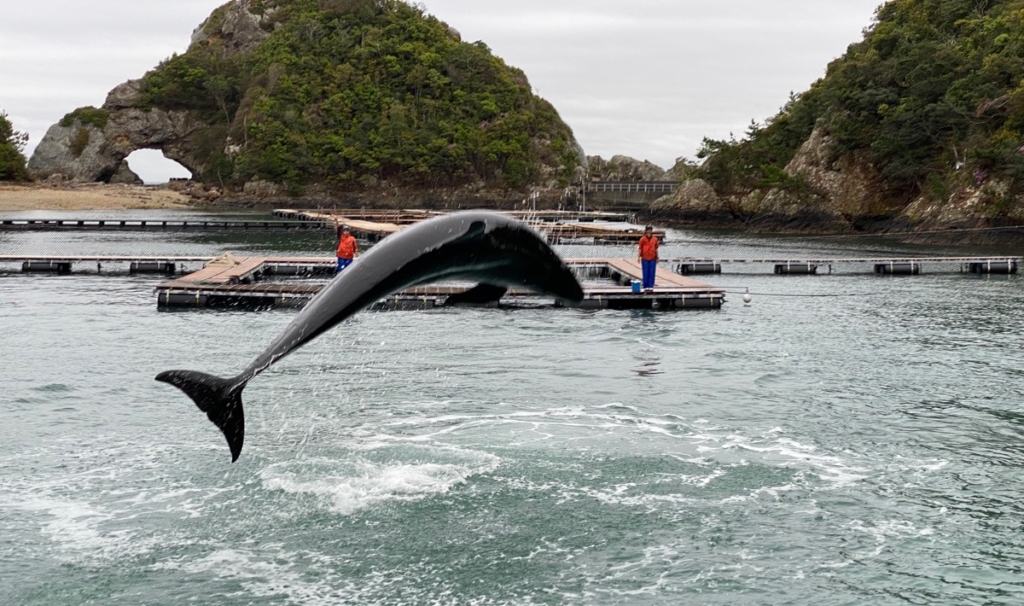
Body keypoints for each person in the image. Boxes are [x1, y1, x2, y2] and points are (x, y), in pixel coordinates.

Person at [638, 225, 659, 292]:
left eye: (650, 229)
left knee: (652, 272)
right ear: (646, 230)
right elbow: (640, 249)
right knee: (645, 272)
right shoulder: (642, 239)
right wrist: (638, 257)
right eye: (648, 229)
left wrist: (657, 257)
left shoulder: (655, 239)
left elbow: (656, 249)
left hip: (653, 258)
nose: (649, 231)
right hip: (645, 258)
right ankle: (645, 285)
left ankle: (651, 285)